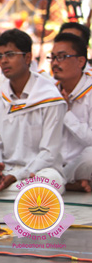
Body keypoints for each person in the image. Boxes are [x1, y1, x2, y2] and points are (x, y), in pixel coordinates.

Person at [0, 29, 66, 199]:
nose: (4, 61)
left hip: (36, 171)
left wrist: (17, 176)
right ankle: (2, 189)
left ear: (28, 57)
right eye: (0, 56)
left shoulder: (49, 97)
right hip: (6, 170)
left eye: (10, 54)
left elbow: (49, 152)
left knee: (52, 181)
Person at [50, 33, 92, 193]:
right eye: (52, 58)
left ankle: (66, 183)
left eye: (61, 57)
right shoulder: (48, 90)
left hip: (82, 164)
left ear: (81, 61)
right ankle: (67, 184)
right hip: (55, 166)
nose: (54, 63)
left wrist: (66, 113)